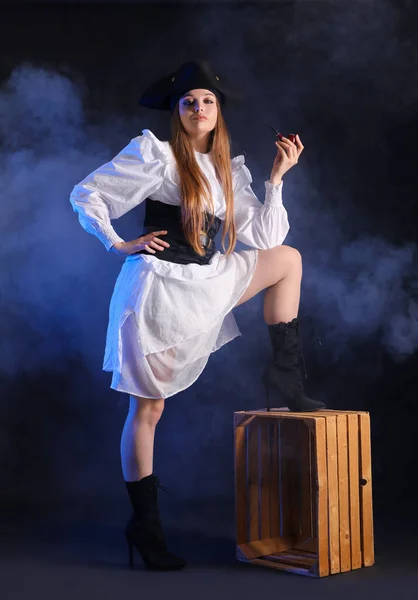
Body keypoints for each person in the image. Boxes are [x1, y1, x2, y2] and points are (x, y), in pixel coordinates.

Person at [69, 60, 326, 572]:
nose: (199, 108)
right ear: (177, 111)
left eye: (207, 100)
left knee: (287, 259)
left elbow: (267, 238)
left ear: (218, 111)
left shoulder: (230, 171)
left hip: (207, 282)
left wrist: (278, 176)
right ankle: (145, 527)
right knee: (148, 411)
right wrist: (118, 241)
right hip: (159, 291)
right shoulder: (157, 156)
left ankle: (284, 374)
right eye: (189, 101)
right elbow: (87, 193)